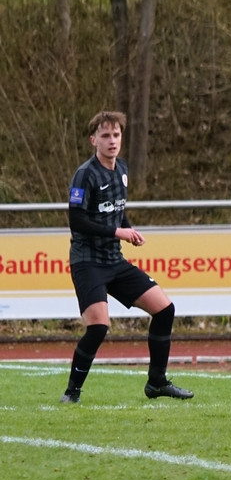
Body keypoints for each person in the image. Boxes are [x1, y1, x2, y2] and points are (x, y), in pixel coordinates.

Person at [59, 111, 193, 404]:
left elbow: (117, 210)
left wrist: (128, 227)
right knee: (98, 327)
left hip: (114, 261)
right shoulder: (85, 174)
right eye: (105, 136)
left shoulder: (122, 168)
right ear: (93, 140)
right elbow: (77, 221)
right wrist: (118, 232)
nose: (112, 141)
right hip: (87, 261)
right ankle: (72, 392)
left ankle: (156, 382)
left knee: (165, 309)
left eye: (116, 135)